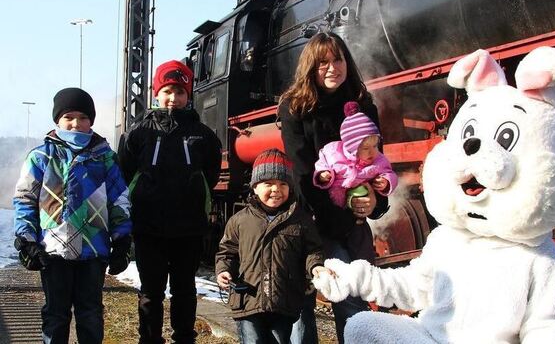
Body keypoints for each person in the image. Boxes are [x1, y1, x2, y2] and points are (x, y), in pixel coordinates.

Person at [278, 32, 390, 343]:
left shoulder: (364, 106)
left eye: (337, 59)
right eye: (322, 62)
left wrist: (376, 200)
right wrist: (336, 219)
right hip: (310, 217)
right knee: (304, 304)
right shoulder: (295, 107)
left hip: (351, 221)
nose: (332, 68)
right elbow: (302, 170)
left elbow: (377, 161)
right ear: (310, 67)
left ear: (347, 62)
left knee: (351, 300)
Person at [13, 87, 132, 343]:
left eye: (83, 117)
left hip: (94, 251)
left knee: (90, 314)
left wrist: (122, 240)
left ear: (91, 121)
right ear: (57, 120)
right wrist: (27, 240)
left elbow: (119, 200)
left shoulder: (105, 159)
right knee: (56, 315)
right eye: (68, 116)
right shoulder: (41, 157)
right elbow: (25, 199)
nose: (76, 123)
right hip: (54, 252)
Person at [118, 60, 222, 344]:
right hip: (148, 227)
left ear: (188, 95)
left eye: (179, 92)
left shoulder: (204, 136)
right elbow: (125, 173)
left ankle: (184, 338)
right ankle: (149, 339)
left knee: (185, 290)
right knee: (150, 291)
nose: (173, 98)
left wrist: (195, 193)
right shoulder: (138, 133)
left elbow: (210, 173)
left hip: (188, 228)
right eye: (167, 91)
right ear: (156, 93)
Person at [215, 148, 327, 344]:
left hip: (284, 300)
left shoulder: (300, 220)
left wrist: (315, 266)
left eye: (283, 184)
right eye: (269, 184)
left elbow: (313, 249)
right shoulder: (239, 221)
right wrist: (223, 270)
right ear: (255, 187)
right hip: (248, 299)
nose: (276, 190)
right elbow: (227, 251)